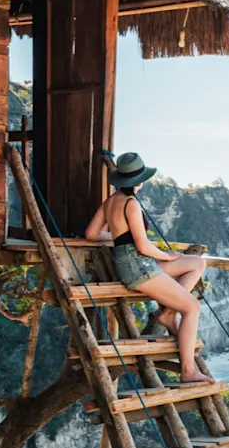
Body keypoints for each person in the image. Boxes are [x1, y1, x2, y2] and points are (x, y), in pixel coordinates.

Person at [85, 152, 212, 384]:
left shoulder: (111, 202)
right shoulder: (131, 203)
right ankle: (188, 371)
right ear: (139, 181)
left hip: (134, 262)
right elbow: (143, 246)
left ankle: (168, 312)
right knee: (192, 307)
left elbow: (91, 234)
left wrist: (119, 238)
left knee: (197, 263)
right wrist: (166, 256)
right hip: (138, 267)